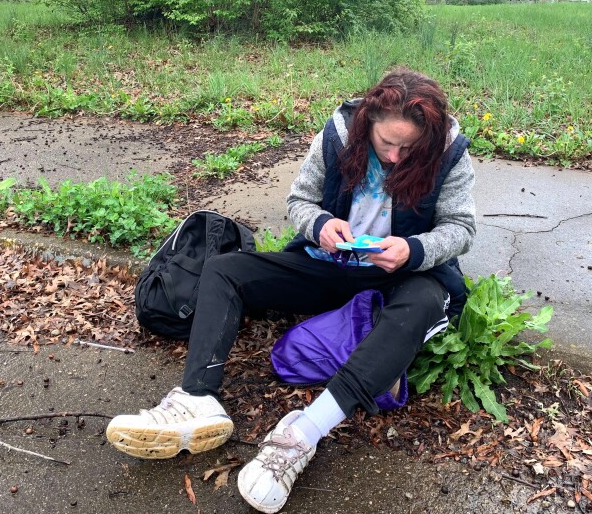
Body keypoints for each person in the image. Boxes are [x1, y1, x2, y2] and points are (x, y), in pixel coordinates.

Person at [106, 68, 476, 513]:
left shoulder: (450, 149)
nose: (396, 157)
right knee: (224, 270)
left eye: (408, 148)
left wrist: (414, 249)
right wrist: (320, 225)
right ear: (368, 124)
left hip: (399, 275)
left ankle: (303, 434)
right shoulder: (339, 132)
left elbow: (461, 228)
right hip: (328, 263)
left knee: (425, 301)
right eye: (386, 145)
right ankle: (197, 399)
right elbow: (299, 201)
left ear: (428, 137)